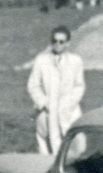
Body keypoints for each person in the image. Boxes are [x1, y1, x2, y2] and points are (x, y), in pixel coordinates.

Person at [27, 26, 85, 155]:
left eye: (61, 41)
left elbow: (79, 85)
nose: (57, 44)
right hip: (48, 110)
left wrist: (71, 103)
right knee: (49, 147)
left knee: (78, 146)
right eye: (55, 41)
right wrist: (43, 102)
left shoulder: (76, 61)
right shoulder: (41, 60)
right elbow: (33, 85)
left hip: (69, 109)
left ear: (68, 43)